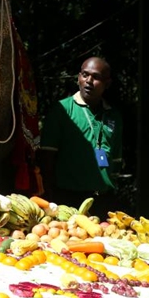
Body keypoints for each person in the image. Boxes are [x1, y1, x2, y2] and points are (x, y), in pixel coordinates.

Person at [39, 57, 123, 217]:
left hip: (103, 200)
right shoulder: (62, 110)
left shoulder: (113, 115)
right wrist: (51, 194)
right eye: (85, 75)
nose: (89, 81)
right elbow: (47, 156)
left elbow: (116, 161)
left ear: (108, 83)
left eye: (96, 77)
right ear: (78, 78)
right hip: (68, 198)